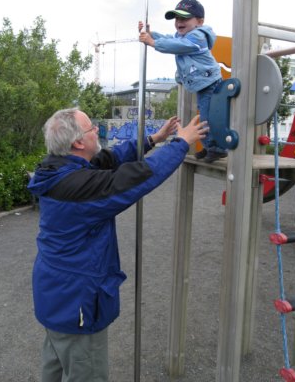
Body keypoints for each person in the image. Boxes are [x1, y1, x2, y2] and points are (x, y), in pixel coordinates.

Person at [27, 107, 208, 382]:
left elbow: (108, 159)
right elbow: (135, 178)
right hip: (76, 301)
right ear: (77, 142)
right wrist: (181, 143)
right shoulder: (79, 186)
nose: (97, 130)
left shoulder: (59, 168)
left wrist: (153, 140)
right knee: (86, 372)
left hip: (56, 295)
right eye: (91, 128)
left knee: (56, 362)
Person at [139, 0, 228, 163]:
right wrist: (151, 33)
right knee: (205, 116)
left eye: (184, 18)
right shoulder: (183, 36)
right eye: (177, 18)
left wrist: (152, 42)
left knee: (208, 116)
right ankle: (210, 146)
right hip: (202, 84)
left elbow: (176, 46)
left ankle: (217, 148)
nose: (179, 22)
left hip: (210, 82)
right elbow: (169, 38)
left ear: (199, 21)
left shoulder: (197, 37)